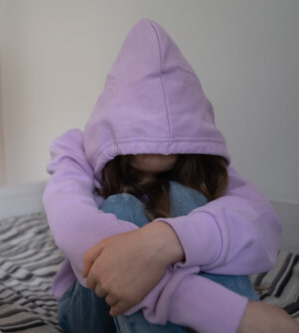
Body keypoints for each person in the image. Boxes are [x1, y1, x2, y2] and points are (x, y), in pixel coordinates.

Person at [43, 19, 299, 332]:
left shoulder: (201, 169)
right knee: (121, 207)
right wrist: (231, 314)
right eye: (141, 136)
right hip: (94, 312)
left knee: (193, 200)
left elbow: (261, 223)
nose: (155, 146)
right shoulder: (75, 152)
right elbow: (76, 231)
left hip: (170, 306)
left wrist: (166, 241)